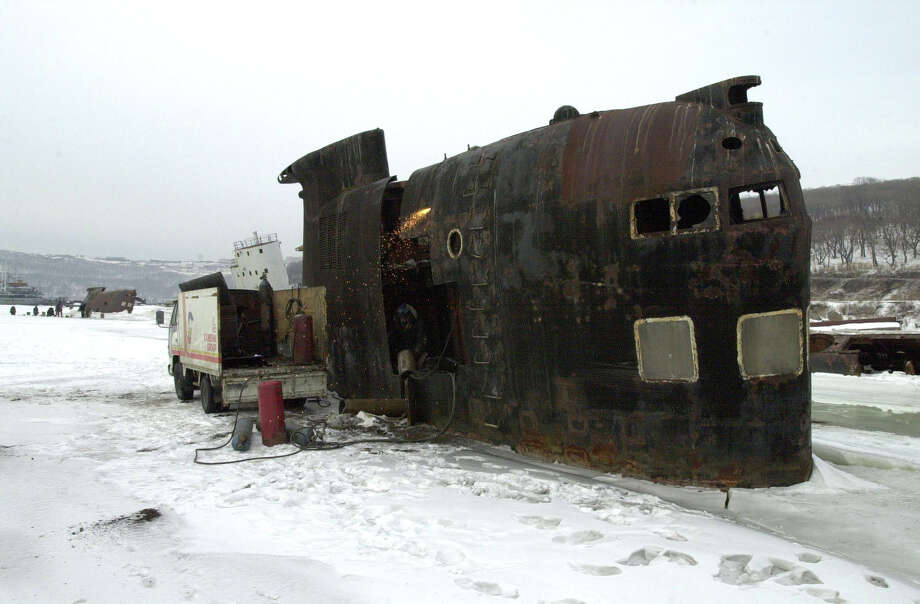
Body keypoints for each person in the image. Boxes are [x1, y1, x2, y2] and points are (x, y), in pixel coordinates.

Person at [390, 303, 428, 374]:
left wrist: (415, 354)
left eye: (406, 316)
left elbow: (421, 341)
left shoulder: (418, 328)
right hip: (403, 362)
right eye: (401, 317)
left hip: (417, 358)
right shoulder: (397, 332)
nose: (404, 320)